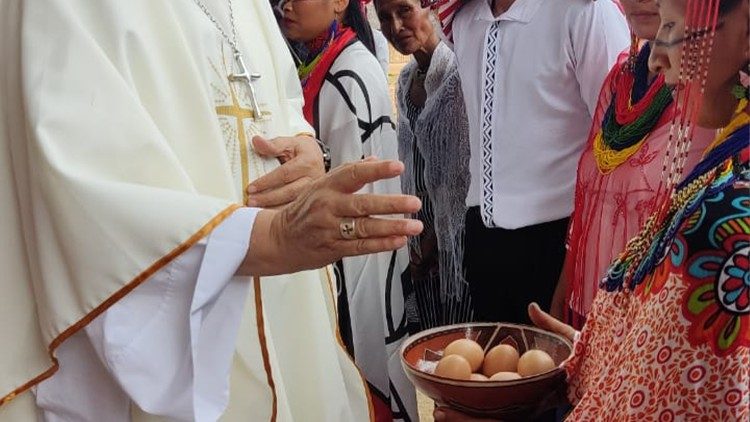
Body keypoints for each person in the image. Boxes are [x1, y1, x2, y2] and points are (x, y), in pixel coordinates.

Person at [0, 0, 423, 420]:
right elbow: (71, 182)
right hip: (174, 327)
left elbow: (277, 96)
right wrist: (270, 239)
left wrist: (306, 144)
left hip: (287, 306)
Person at [436, 0, 750, 419]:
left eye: (673, 26)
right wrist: (595, 357)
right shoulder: (717, 162)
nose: (656, 58)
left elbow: (666, 399)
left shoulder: (726, 214)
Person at [446, 0, 630, 324]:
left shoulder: (583, 11)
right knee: (493, 369)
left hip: (561, 244)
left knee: (560, 371)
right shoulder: (464, 19)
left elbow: (620, 147)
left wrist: (576, 266)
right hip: (483, 238)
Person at [280, 0, 417, 420]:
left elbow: (353, 205)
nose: (284, 5)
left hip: (353, 265)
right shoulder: (316, 63)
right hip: (323, 257)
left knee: (361, 383)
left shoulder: (351, 73)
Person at [550, 0, 715, 328]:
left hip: (656, 329)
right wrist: (564, 292)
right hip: (590, 307)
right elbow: (591, 206)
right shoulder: (619, 80)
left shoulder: (718, 100)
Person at [376, 0, 473, 329]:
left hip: (459, 252)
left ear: (430, 6)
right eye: (385, 17)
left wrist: (432, 244)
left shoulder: (459, 74)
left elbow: (461, 178)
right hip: (418, 247)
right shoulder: (405, 81)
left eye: (404, 11)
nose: (396, 26)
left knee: (461, 350)